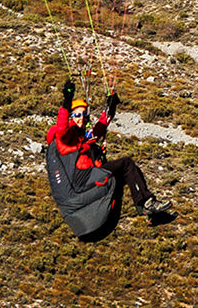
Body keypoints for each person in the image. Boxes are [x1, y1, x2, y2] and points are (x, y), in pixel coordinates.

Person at [46, 79, 172, 227]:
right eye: (77, 115)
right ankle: (146, 204)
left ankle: (151, 213)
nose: (81, 119)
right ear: (71, 118)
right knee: (126, 164)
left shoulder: (83, 137)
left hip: (91, 177)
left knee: (127, 175)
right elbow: (61, 126)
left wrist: (110, 109)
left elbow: (98, 129)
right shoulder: (66, 138)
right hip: (83, 179)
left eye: (84, 115)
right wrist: (67, 101)